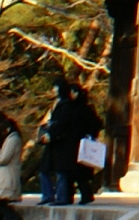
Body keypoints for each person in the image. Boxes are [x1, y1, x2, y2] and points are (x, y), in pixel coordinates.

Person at [40, 78, 99, 208]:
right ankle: (71, 196)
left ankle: (71, 196)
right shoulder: (69, 106)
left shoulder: (73, 107)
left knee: (72, 172)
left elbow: (67, 124)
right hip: (72, 143)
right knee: (71, 172)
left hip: (74, 144)